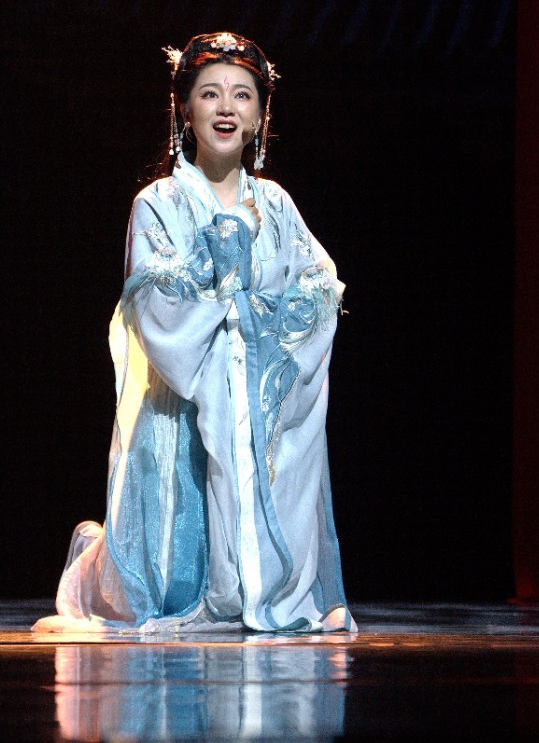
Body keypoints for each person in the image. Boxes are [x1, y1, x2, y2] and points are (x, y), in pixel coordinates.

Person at [34, 32, 354, 634]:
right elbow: (158, 309)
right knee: (158, 589)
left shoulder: (277, 206)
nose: (226, 107)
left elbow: (317, 289)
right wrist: (230, 299)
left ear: (260, 116)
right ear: (185, 109)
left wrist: (264, 328)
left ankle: (265, 590)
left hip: (256, 406)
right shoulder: (157, 203)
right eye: (210, 94)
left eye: (242, 95)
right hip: (179, 409)